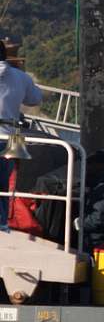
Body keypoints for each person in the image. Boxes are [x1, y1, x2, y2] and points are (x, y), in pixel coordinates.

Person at [0, 41, 42, 229]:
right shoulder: (20, 76)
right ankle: (2, 222)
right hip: (12, 133)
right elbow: (34, 99)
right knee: (5, 183)